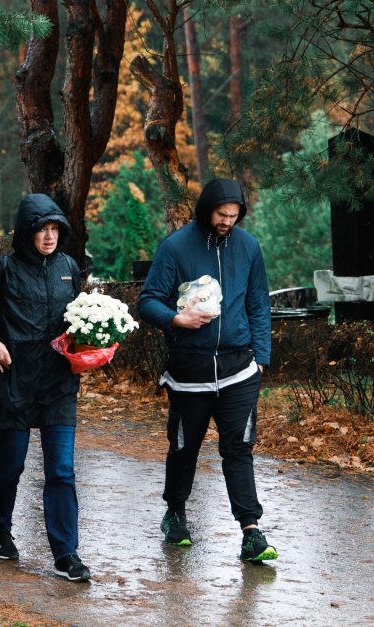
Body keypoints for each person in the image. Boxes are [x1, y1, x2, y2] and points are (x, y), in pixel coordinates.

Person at [0, 193, 91, 582]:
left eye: (54, 229)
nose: (49, 236)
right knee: (11, 463)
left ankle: (66, 554)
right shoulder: (5, 269)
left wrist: (91, 344)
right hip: (13, 380)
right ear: (26, 232)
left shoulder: (68, 267)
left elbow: (79, 320)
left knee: (61, 469)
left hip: (59, 383)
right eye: (41, 229)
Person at [137, 178, 278, 562]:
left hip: (239, 369)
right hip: (189, 371)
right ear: (206, 209)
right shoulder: (176, 246)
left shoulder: (248, 247)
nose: (227, 222)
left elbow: (258, 304)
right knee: (185, 447)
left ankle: (251, 531)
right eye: (221, 214)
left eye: (234, 216)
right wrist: (175, 320)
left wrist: (261, 358)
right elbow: (148, 301)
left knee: (239, 449)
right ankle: (176, 514)